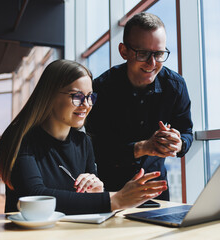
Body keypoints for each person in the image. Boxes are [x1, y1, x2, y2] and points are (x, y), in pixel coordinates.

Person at [0, 59, 167, 215]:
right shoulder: (22, 139)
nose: (86, 105)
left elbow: (87, 200)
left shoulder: (83, 142)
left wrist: (97, 190)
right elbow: (34, 195)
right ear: (50, 95)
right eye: (77, 96)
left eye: (90, 97)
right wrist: (114, 199)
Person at [85, 12, 193, 200]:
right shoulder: (101, 89)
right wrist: (143, 147)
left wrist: (178, 142)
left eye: (159, 54)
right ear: (123, 51)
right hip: (111, 190)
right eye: (143, 54)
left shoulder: (175, 86)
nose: (152, 63)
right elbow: (95, 149)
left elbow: (186, 131)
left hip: (156, 189)